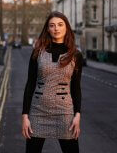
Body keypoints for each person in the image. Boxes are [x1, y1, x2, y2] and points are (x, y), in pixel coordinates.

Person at [21, 11, 83, 153]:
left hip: (64, 112)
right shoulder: (38, 52)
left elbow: (76, 88)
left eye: (60, 25)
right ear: (47, 29)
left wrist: (77, 115)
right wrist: (25, 116)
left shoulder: (75, 55)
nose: (56, 28)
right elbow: (30, 85)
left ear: (66, 27)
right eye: (52, 25)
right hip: (38, 112)